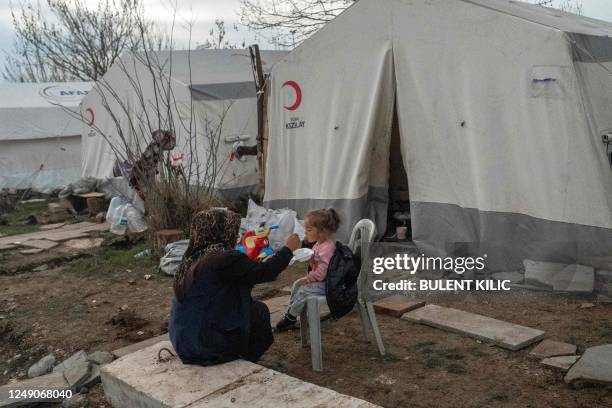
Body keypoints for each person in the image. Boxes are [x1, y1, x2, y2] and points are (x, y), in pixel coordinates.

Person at [169, 208, 301, 365]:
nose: (236, 236)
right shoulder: (224, 258)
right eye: (233, 230)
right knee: (258, 312)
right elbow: (266, 272)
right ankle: (243, 360)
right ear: (223, 231)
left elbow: (229, 279)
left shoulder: (193, 257)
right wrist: (288, 250)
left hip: (183, 341)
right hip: (205, 346)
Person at [275, 208, 340, 332]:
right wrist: (310, 258)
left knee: (304, 291)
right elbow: (316, 263)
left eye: (309, 230)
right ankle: (291, 312)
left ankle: (290, 318)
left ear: (322, 231)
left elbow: (323, 271)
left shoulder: (328, 247)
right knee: (296, 285)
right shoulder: (318, 244)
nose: (305, 232)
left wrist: (309, 278)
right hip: (319, 281)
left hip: (326, 285)